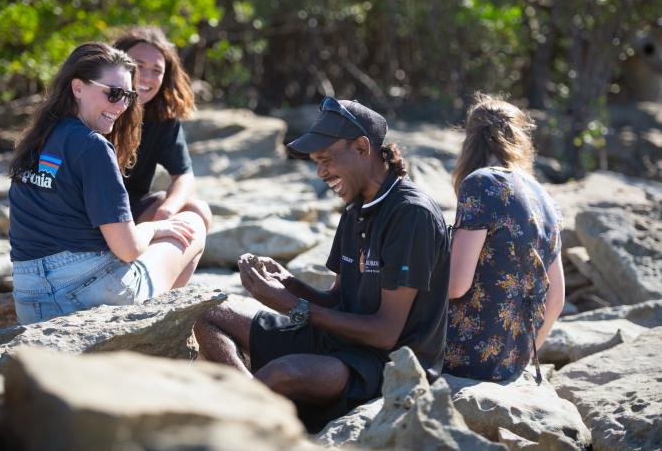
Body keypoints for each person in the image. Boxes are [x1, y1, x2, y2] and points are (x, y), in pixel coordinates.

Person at [194, 97, 450, 432]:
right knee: (210, 317)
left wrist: (295, 306)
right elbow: (337, 301)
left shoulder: (411, 215)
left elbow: (385, 333)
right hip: (338, 342)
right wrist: (287, 283)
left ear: (362, 147)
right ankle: (254, 406)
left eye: (326, 159)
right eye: (316, 162)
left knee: (283, 372)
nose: (320, 172)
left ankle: (236, 421)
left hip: (384, 364)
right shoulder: (357, 206)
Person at [8, 42, 206, 325]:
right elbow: (127, 249)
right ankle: (162, 329)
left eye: (127, 95)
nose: (123, 106)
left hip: (28, 298)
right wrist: (154, 227)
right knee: (192, 225)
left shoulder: (36, 139)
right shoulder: (92, 146)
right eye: (113, 94)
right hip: (86, 295)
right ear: (77, 87)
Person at [443, 93, 564, 382]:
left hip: (464, 357)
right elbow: (556, 300)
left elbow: (456, 286)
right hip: (511, 361)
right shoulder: (543, 195)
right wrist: (523, 358)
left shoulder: (480, 183)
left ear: (471, 140)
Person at [113, 26, 211, 228]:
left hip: (129, 206)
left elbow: (184, 176)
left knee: (196, 211)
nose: (146, 77)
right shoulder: (91, 106)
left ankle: (141, 260)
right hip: (80, 210)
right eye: (138, 66)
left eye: (156, 70)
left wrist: (166, 212)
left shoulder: (161, 118)